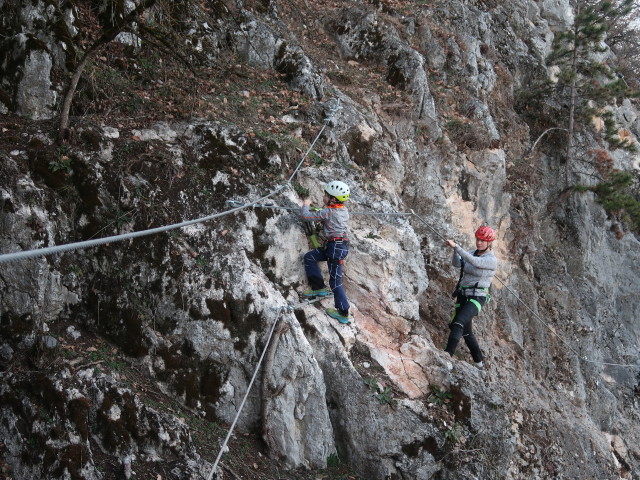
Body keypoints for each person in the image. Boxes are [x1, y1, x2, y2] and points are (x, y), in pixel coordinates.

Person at [443, 226, 497, 368]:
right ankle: (479, 364)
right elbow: (457, 263)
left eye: (483, 240)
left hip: (477, 298)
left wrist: (458, 247)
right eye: (478, 239)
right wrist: (455, 251)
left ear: (489, 243)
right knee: (467, 333)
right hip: (463, 296)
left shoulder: (491, 260)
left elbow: (475, 262)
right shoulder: (472, 253)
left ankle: (447, 356)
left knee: (458, 322)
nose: (479, 242)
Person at [299, 180, 352, 324]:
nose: (324, 196)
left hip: (335, 248)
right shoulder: (342, 209)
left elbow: (306, 216)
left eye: (326, 195)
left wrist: (306, 205)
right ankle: (319, 288)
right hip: (336, 246)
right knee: (310, 257)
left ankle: (343, 312)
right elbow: (328, 218)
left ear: (333, 199)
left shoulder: (329, 211)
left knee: (335, 281)